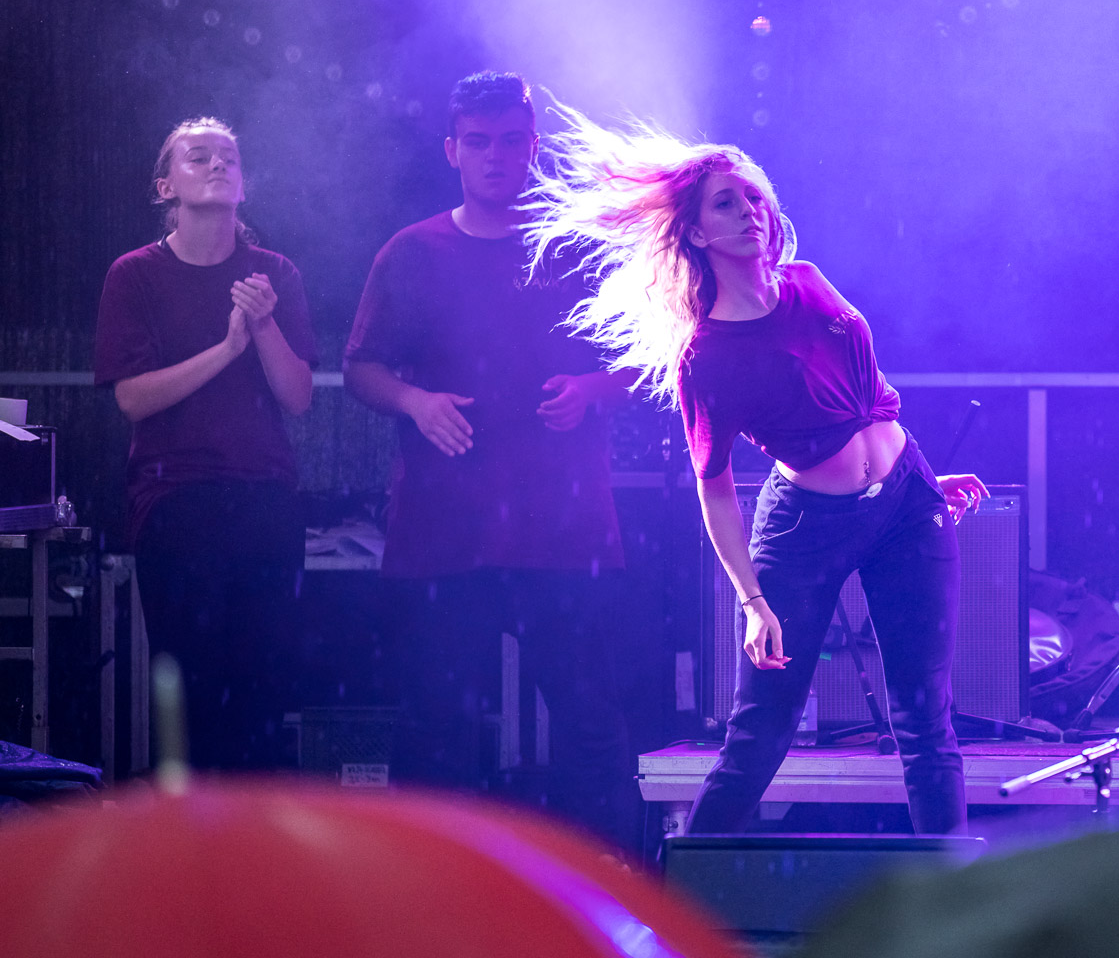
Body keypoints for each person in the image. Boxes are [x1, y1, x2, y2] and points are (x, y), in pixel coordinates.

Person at [524, 107, 987, 835]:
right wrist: (752, 600)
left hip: (907, 501)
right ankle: (684, 887)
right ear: (696, 233)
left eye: (755, 197)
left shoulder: (810, 281)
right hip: (808, 530)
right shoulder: (706, 355)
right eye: (727, 203)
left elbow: (864, 391)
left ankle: (959, 895)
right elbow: (714, 488)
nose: (750, 212)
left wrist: (913, 477)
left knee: (927, 719)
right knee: (761, 734)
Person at [344, 72, 633, 844]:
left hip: (561, 529)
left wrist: (590, 389)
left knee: (588, 724)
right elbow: (361, 368)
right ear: (453, 150)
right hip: (447, 529)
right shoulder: (412, 252)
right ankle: (432, 894)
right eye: (479, 142)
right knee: (436, 728)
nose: (495, 157)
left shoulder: (575, 248)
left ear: (533, 147)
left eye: (510, 141)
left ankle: (601, 890)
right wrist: (416, 402)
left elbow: (649, 360)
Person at [94, 117, 318, 770]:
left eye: (229, 158)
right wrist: (225, 350)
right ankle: (192, 824)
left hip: (265, 496)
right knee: (192, 688)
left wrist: (264, 323)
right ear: (166, 185)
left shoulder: (275, 274)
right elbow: (132, 399)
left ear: (243, 186)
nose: (218, 165)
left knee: (263, 691)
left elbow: (298, 397)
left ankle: (257, 826)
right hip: (175, 497)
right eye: (199, 157)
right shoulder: (135, 275)